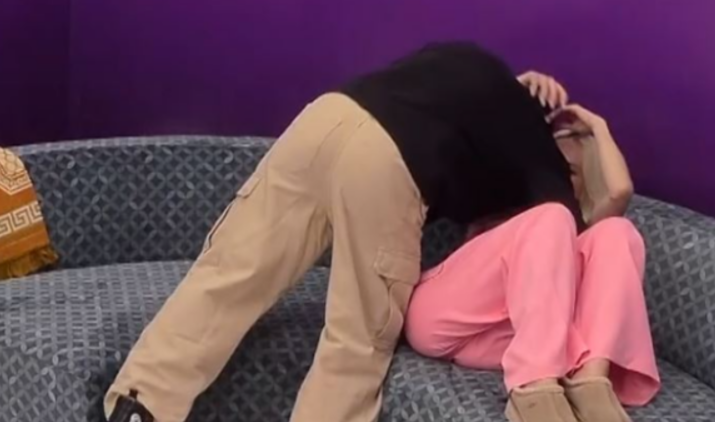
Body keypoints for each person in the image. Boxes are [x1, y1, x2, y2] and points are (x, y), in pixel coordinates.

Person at [105, 42, 585, 422]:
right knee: (358, 338)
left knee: (228, 274)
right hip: (386, 162)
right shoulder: (539, 155)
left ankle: (140, 404)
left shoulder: (474, 69)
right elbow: (577, 240)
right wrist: (596, 136)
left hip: (325, 118)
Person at [405, 96, 661, 422]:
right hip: (445, 316)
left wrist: (599, 126)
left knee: (618, 231)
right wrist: (513, 96)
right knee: (551, 218)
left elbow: (619, 192)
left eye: (571, 172)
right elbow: (464, 148)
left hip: (508, 341)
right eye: (552, 166)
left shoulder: (584, 230)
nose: (559, 177)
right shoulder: (507, 195)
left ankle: (590, 384)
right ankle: (533, 387)